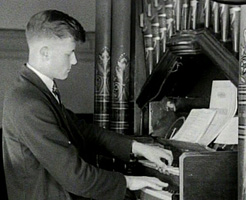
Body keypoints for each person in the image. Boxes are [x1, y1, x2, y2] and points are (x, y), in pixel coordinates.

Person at [2, 10, 173, 200]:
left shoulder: (36, 91)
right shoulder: (29, 103)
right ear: (45, 53)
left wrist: (139, 148)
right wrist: (130, 182)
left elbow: (83, 131)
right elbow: (75, 177)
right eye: (69, 53)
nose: (74, 61)